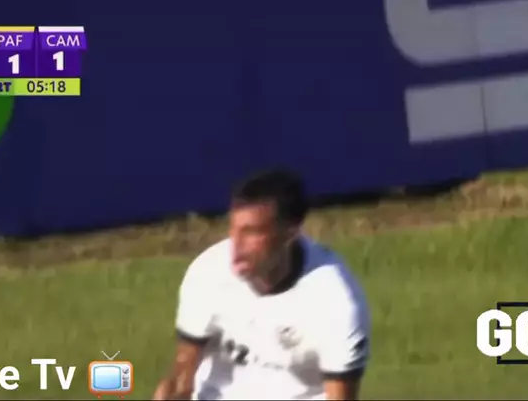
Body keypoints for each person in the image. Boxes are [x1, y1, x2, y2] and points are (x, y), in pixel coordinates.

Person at [152, 169, 371, 400]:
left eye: (251, 232)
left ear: (290, 233)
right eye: (233, 229)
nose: (236, 246)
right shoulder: (208, 273)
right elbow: (182, 376)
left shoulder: (336, 303)